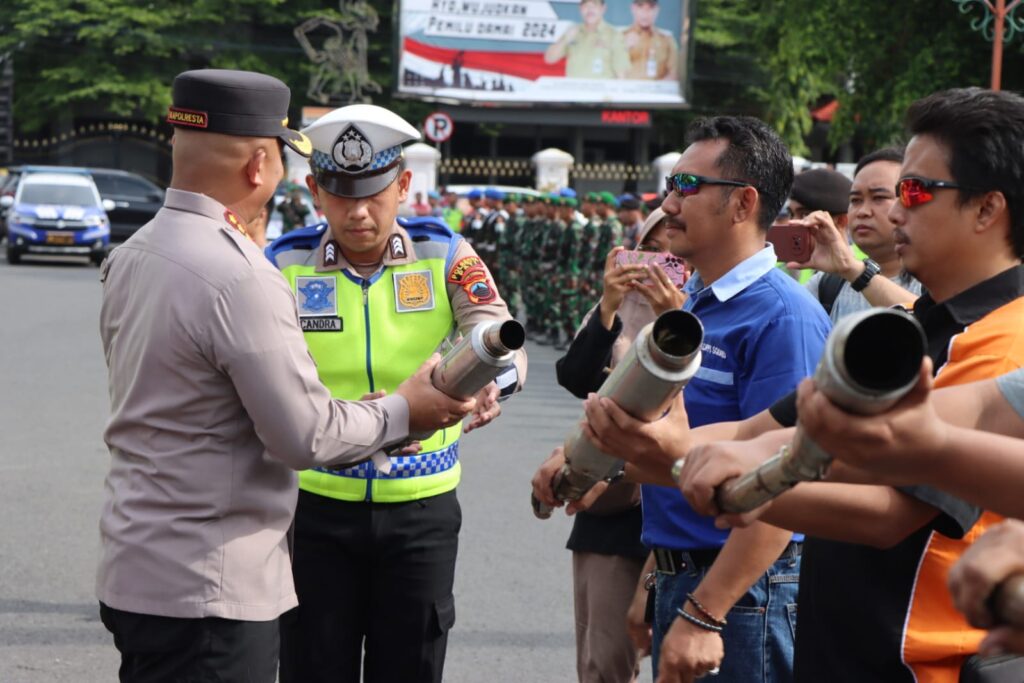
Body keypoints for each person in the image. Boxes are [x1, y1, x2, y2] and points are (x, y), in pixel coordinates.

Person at [96, 69, 472, 683]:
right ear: (259, 168)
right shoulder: (244, 272)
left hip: (138, 566)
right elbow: (304, 434)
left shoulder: (131, 255)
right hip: (212, 581)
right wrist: (407, 410)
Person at [647, 87, 1024, 683]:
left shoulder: (1004, 340)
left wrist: (700, 470)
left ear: (987, 209)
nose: (896, 213)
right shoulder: (907, 329)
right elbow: (777, 427)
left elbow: (887, 510)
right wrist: (659, 450)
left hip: (914, 665)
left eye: (915, 192)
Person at [537, 116, 832, 683]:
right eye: (671, 185)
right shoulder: (693, 306)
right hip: (684, 574)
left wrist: (706, 611)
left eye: (687, 187)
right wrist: (656, 576)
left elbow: (787, 479)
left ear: (744, 203)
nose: (667, 203)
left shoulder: (783, 317)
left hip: (742, 595)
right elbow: (677, 448)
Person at [266, 103, 528, 683]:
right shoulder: (282, 263)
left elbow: (501, 338)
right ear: (314, 190)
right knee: (312, 665)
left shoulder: (446, 253)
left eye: (374, 195)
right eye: (339, 195)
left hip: (422, 512)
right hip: (313, 510)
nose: (357, 212)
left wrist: (493, 385)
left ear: (404, 185)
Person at [533, 208, 681, 683]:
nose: (664, 260)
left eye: (676, 248)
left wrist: (677, 320)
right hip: (615, 512)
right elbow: (576, 378)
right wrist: (609, 305)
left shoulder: (712, 308)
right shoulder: (623, 312)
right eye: (652, 249)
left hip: (684, 504)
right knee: (604, 665)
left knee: (684, 663)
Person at [795, 149, 922, 321]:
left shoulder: (938, 282)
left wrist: (856, 272)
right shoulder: (828, 284)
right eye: (855, 200)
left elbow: (933, 327)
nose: (862, 211)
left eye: (878, 197)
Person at [544, 0, 630, 79]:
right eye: (586, 6)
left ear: (603, 9)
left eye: (594, 5)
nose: (590, 10)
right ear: (580, 9)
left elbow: (622, 73)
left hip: (601, 93)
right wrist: (565, 39)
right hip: (573, 91)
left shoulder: (614, 35)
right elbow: (549, 59)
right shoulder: (573, 32)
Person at [622, 0, 678, 80]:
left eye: (651, 8)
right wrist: (624, 48)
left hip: (658, 90)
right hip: (626, 90)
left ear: (657, 10)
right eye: (640, 7)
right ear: (633, 8)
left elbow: (674, 73)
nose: (645, 13)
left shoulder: (667, 40)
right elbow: (609, 71)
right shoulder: (620, 37)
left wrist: (656, 89)